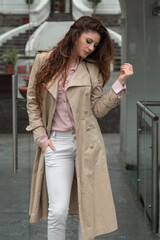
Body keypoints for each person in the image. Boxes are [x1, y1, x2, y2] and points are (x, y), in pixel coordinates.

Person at [26, 16, 133, 240]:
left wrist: (119, 83)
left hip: (87, 144)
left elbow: (98, 109)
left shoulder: (92, 69)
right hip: (56, 144)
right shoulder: (44, 61)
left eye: (95, 45)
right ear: (75, 35)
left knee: (88, 211)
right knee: (58, 210)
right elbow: (33, 101)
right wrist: (41, 138)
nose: (91, 48)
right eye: (88, 41)